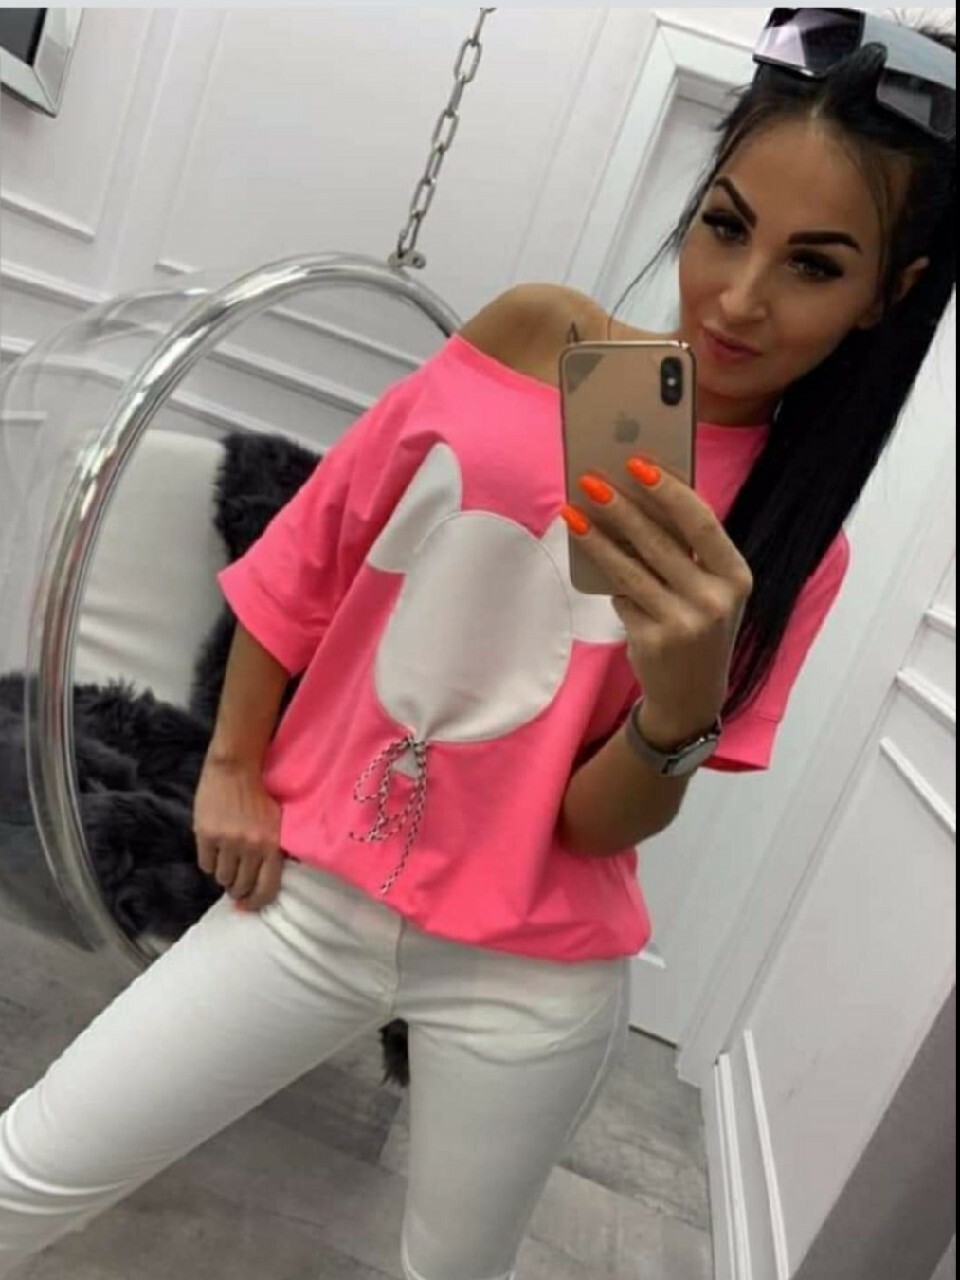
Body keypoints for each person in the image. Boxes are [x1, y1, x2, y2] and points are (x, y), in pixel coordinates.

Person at [0, 11, 954, 1280]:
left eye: (814, 266)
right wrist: (232, 759)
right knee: (32, 1164)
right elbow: (314, 548)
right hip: (309, 896)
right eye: (726, 226)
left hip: (529, 977)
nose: (737, 296)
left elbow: (593, 827)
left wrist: (678, 709)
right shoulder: (533, 336)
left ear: (888, 294)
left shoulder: (792, 550)